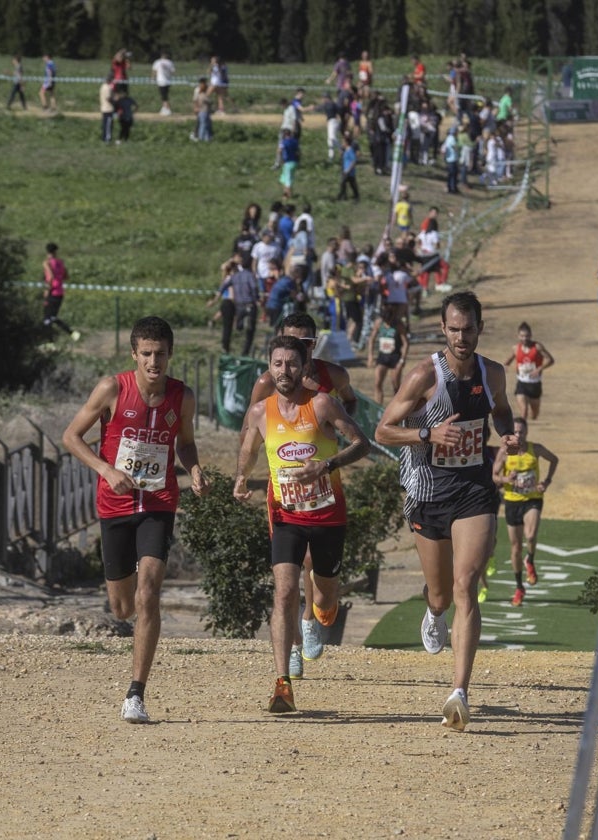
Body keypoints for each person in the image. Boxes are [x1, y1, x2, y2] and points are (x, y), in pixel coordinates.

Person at [374, 291, 518, 732]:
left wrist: (508, 435)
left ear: (480, 328)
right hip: (428, 491)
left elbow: (503, 411)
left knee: (466, 584)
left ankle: (459, 691)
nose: (461, 337)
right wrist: (428, 434)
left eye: (469, 329)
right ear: (442, 328)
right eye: (453, 329)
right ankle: (433, 614)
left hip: (474, 488)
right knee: (440, 595)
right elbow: (383, 429)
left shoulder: (492, 372)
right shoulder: (424, 376)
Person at [61, 316, 208, 724]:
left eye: (160, 353)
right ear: (134, 355)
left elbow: (187, 443)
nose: (153, 362)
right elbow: (71, 436)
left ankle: (135, 693)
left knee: (149, 591)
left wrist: (194, 470)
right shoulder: (112, 389)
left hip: (159, 503)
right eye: (146, 354)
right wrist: (106, 470)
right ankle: (132, 641)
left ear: (170, 354)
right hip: (115, 505)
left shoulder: (183, 397)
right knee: (123, 606)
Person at [234, 335, 370, 713]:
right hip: (286, 515)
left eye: (291, 364)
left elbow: (363, 443)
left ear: (304, 365)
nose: (283, 371)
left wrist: (326, 466)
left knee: (324, 595)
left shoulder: (322, 404)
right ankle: (282, 683)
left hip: (328, 514)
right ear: (269, 366)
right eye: (277, 363)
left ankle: (325, 609)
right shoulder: (261, 411)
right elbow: (247, 447)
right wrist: (241, 478)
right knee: (283, 591)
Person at [492, 418, 558, 607]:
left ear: (527, 433)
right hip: (512, 502)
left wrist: (546, 481)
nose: (519, 435)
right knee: (515, 548)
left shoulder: (535, 449)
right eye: (516, 432)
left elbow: (554, 459)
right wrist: (507, 478)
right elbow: (494, 476)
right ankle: (519, 587)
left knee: (530, 535)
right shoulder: (505, 453)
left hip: (533, 499)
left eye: (522, 432)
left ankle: (531, 559)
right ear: (511, 434)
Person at [505, 322, 554, 420]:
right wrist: (505, 365)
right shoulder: (515, 348)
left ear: (531, 335)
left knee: (534, 414)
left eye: (527, 336)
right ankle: (522, 430)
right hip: (521, 384)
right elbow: (509, 360)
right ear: (518, 336)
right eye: (522, 336)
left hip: (535, 385)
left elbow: (550, 360)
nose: (524, 338)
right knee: (524, 411)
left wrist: (539, 369)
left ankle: (532, 421)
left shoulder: (537, 347)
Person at [367, 308, 410, 404]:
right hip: (382, 356)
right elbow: (371, 339)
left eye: (389, 320)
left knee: (395, 386)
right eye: (385, 321)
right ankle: (378, 407)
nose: (387, 323)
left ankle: (396, 409)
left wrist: (402, 360)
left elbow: (406, 343)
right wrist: (370, 356)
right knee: (377, 383)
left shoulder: (398, 325)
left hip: (395, 357)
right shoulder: (379, 323)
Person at [42, 242, 77, 340]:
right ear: (56, 251)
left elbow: (50, 277)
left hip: (52, 291)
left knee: (47, 318)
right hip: (60, 292)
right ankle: (71, 333)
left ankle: (50, 342)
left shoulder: (47, 263)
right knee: (52, 317)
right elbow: (66, 276)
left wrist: (47, 290)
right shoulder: (60, 262)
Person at [276, 128, 300, 200]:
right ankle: (285, 193)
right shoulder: (295, 141)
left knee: (288, 180)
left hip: (287, 162)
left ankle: (288, 195)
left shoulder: (283, 142)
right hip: (294, 162)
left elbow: (279, 151)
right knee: (285, 178)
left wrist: (279, 160)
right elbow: (298, 152)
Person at [152, 51, 175, 116]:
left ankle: (168, 108)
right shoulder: (170, 62)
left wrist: (153, 78)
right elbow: (173, 72)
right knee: (165, 94)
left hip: (161, 81)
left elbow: (154, 71)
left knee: (164, 96)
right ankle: (164, 108)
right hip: (168, 81)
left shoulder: (157, 62)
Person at [337, 134, 359, 201]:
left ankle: (345, 196)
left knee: (345, 183)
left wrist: (349, 169)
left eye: (343, 142)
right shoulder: (345, 150)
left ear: (346, 143)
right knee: (347, 184)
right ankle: (344, 196)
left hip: (349, 171)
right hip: (345, 170)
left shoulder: (350, 150)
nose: (342, 143)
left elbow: (354, 160)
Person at [191, 77, 213, 142]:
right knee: (201, 124)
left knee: (206, 123)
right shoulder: (198, 90)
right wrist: (196, 108)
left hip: (205, 110)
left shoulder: (205, 89)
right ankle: (198, 136)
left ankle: (207, 137)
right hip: (202, 110)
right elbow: (195, 100)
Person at [99, 77, 115, 143]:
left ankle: (104, 138)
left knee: (105, 124)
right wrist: (115, 102)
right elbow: (108, 98)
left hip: (104, 108)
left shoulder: (102, 86)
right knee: (108, 125)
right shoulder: (107, 88)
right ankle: (107, 139)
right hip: (108, 108)